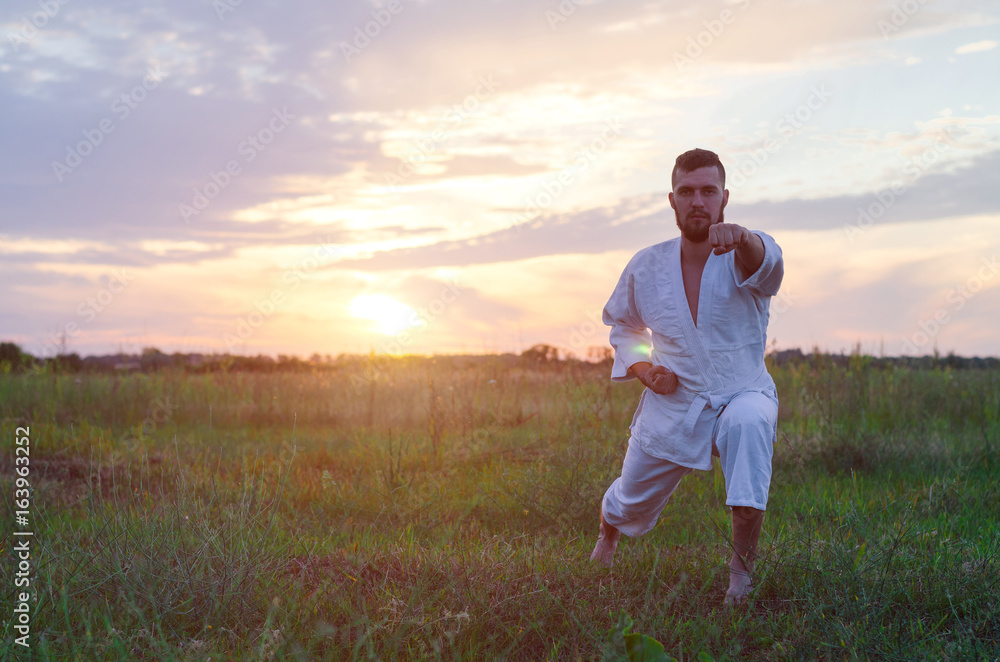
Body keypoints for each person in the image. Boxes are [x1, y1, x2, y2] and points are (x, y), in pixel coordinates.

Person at [590, 148, 783, 607]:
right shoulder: (647, 265)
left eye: (708, 191)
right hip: (675, 402)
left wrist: (745, 238)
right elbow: (624, 326)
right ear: (672, 200)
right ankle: (607, 535)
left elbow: (770, 268)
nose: (698, 200)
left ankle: (740, 574)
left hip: (743, 390)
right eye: (687, 191)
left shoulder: (747, 251)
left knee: (750, 425)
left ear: (724, 198)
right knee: (629, 501)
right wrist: (644, 369)